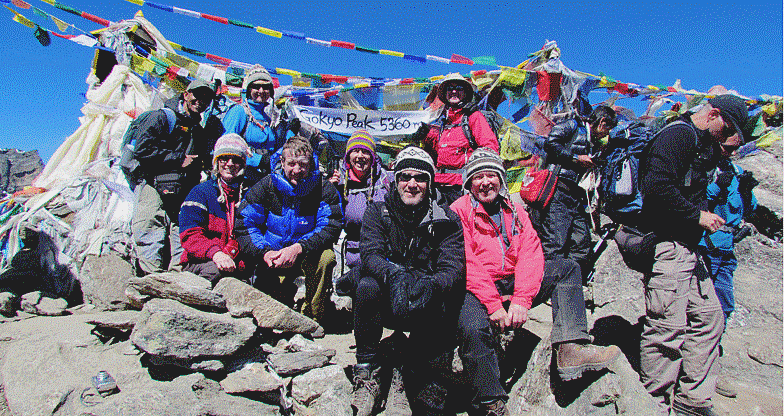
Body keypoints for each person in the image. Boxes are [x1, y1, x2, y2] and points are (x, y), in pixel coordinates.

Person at [451, 148, 621, 415]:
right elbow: (465, 261)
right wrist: (494, 305)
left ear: (501, 179)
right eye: (478, 176)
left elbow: (531, 251)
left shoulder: (515, 209)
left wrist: (521, 298)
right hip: (476, 287)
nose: (485, 182)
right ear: (469, 183)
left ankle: (570, 347)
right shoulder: (458, 211)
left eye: (491, 175)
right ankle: (490, 403)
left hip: (512, 282)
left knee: (566, 269)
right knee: (473, 329)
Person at [638, 94, 749, 416]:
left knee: (709, 318)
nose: (726, 136)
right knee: (667, 327)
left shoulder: (703, 145)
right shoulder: (678, 135)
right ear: (713, 114)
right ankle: (653, 404)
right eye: (726, 127)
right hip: (667, 245)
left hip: (689, 247)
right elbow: (656, 187)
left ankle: (692, 402)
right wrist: (697, 215)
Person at [351, 146, 465, 416]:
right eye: (405, 176)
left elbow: (452, 267)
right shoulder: (377, 212)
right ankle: (367, 369)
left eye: (420, 177)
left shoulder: (446, 219)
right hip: (388, 298)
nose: (412, 184)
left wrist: (432, 285)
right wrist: (393, 274)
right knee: (367, 286)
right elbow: (370, 254)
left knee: (448, 296)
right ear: (395, 180)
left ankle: (428, 380)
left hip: (424, 300)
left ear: (430, 182)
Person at [233, 135, 341, 321]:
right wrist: (265, 252)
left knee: (327, 257)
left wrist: (298, 248)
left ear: (311, 163)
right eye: (291, 163)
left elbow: (330, 226)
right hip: (271, 255)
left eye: (303, 164)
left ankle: (313, 315)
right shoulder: (265, 186)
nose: (297, 170)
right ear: (281, 162)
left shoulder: (324, 189)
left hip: (306, 252)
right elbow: (245, 223)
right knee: (269, 313)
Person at [127, 79, 224, 274]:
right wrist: (179, 159)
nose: (201, 100)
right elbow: (142, 150)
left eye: (206, 98)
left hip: (183, 189)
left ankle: (175, 281)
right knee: (149, 230)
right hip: (154, 185)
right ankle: (150, 279)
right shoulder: (162, 117)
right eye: (197, 95)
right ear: (186, 94)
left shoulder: (196, 127)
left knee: (180, 233)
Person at [528, 105, 617, 277]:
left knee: (581, 242)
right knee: (555, 242)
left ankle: (571, 281)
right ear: (602, 122)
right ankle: (550, 287)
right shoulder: (573, 125)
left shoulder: (595, 144)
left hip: (576, 197)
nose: (608, 133)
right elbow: (550, 143)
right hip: (558, 191)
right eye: (608, 128)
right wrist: (575, 158)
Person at [178, 134, 252, 284]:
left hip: (236, 263)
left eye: (236, 160)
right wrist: (216, 254)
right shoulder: (200, 193)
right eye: (224, 158)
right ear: (216, 162)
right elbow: (190, 235)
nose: (230, 164)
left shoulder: (250, 195)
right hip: (204, 260)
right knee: (216, 271)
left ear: (243, 164)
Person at [328, 130, 394, 296]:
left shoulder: (386, 180)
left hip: (382, 253)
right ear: (348, 156)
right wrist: (329, 189)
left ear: (373, 156)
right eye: (355, 151)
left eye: (365, 151)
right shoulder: (338, 182)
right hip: (349, 254)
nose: (360, 156)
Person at [424, 73, 499, 205]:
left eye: (459, 88)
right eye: (449, 88)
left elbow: (490, 148)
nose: (454, 91)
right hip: (438, 186)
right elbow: (434, 150)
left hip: (462, 187)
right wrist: (422, 132)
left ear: (465, 93)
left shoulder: (473, 117)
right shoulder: (441, 122)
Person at [222, 65, 285, 184]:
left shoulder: (269, 118)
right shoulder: (239, 112)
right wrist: (258, 160)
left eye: (266, 87)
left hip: (265, 178)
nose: (261, 91)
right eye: (256, 86)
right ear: (249, 89)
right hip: (242, 179)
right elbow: (226, 145)